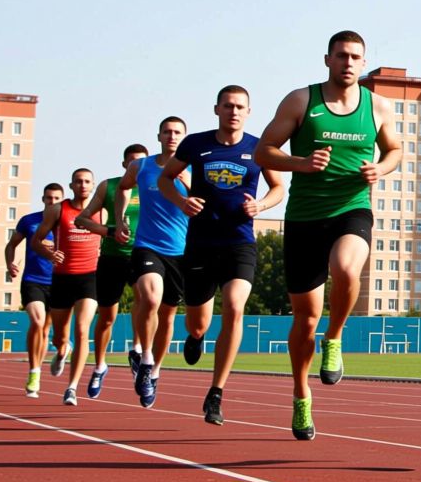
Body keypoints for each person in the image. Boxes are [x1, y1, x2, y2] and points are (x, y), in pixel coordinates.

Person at [256, 31, 400, 440]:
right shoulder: (302, 101)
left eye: (356, 56)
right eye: (341, 56)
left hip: (352, 208)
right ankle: (301, 395)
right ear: (328, 59)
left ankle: (335, 339)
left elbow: (394, 150)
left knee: (347, 268)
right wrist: (300, 162)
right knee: (304, 321)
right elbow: (264, 150)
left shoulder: (378, 106)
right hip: (304, 218)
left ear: (363, 61)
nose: (349, 63)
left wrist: (382, 169)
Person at [159, 85, 285, 426]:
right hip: (200, 243)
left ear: (248, 112)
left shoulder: (258, 148)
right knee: (197, 321)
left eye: (240, 107)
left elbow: (278, 188)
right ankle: (196, 337)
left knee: (234, 306)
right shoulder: (196, 144)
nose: (233, 111)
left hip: (239, 242)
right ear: (217, 109)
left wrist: (261, 204)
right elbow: (165, 178)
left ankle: (216, 391)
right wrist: (181, 201)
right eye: (228, 106)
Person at [117, 117, 192, 408]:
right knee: (149, 298)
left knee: (169, 315)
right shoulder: (141, 166)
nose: (172, 136)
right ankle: (145, 358)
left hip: (181, 251)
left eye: (178, 133)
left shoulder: (192, 169)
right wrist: (121, 217)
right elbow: (123, 187)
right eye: (167, 132)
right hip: (147, 246)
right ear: (159, 135)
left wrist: (191, 186)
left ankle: (156, 371)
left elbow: (207, 204)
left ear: (184, 138)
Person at [74, 143, 149, 397]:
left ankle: (137, 350)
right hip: (112, 256)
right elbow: (81, 219)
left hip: (143, 254)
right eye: (132, 162)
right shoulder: (109, 186)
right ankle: (100, 366)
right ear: (124, 164)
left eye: (141, 162)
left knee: (145, 298)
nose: (136, 167)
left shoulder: (156, 185)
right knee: (107, 317)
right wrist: (109, 231)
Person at [30, 170, 102, 406]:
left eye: (87, 182)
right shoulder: (58, 210)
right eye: (79, 181)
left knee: (82, 329)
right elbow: (36, 241)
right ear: (72, 185)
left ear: (92, 185)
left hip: (89, 278)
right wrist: (50, 253)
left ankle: (72, 388)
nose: (83, 185)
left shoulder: (102, 211)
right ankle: (62, 350)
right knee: (60, 336)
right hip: (62, 279)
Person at [4, 184, 65, 397]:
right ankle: (34, 371)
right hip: (33, 280)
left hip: (59, 281)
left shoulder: (67, 223)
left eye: (57, 198)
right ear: (43, 199)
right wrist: (10, 263)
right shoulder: (29, 221)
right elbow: (11, 244)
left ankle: (62, 350)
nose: (52, 201)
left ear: (62, 199)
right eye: (49, 197)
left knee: (49, 331)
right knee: (37, 322)